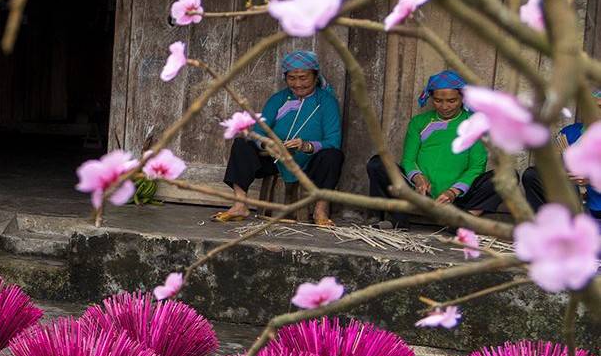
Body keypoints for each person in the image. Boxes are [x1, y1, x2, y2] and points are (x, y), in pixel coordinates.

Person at [216, 50, 345, 228]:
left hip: (310, 163)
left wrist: (306, 146)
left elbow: (333, 141)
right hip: (277, 160)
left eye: (303, 77)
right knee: (242, 143)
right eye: (292, 78)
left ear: (315, 76)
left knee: (333, 156)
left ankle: (320, 211)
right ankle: (240, 204)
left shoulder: (326, 102)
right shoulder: (278, 100)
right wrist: (267, 144)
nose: (298, 84)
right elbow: (257, 131)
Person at [366, 70, 505, 226]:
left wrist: (453, 192)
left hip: (458, 197)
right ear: (431, 97)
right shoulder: (419, 122)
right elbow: (408, 159)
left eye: (452, 101)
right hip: (418, 193)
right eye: (438, 100)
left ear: (463, 98)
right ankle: (393, 219)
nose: (445, 106)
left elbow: (476, 167)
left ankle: (464, 220)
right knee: (378, 163)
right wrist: (418, 178)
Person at [521, 92, 601, 219]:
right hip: (570, 193)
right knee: (532, 174)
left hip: (596, 205)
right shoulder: (569, 132)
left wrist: (590, 178)